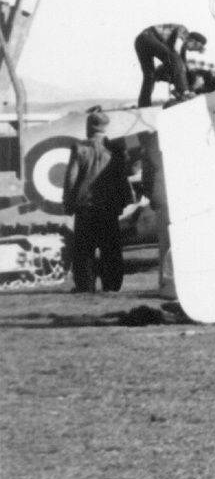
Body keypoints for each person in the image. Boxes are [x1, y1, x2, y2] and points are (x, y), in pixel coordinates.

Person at [62, 110, 134, 293]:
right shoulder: (116, 150)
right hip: (109, 207)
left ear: (89, 127)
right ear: (105, 128)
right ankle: (112, 286)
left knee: (84, 250)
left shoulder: (79, 149)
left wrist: (68, 203)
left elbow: (71, 179)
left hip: (85, 207)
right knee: (111, 249)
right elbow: (122, 178)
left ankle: (85, 286)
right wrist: (124, 200)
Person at [135, 24, 207, 107]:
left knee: (150, 74)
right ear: (193, 42)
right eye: (192, 49)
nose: (190, 51)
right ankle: (183, 92)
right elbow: (176, 52)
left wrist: (192, 83)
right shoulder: (184, 32)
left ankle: (144, 103)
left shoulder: (182, 48)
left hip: (140, 42)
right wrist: (184, 88)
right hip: (147, 37)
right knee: (174, 58)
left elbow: (184, 67)